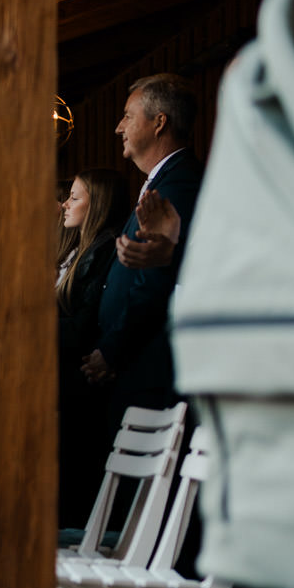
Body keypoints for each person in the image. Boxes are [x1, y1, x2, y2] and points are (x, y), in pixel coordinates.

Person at [84, 74, 203, 432]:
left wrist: (112, 351)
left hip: (148, 367)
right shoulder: (164, 180)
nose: (119, 127)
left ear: (159, 122)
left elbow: (157, 280)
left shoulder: (180, 184)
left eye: (127, 116)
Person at [55, 169, 130, 526]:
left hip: (81, 388)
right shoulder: (81, 249)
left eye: (74, 197)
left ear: (96, 204)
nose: (65, 204)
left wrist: (28, 334)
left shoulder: (103, 249)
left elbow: (85, 326)